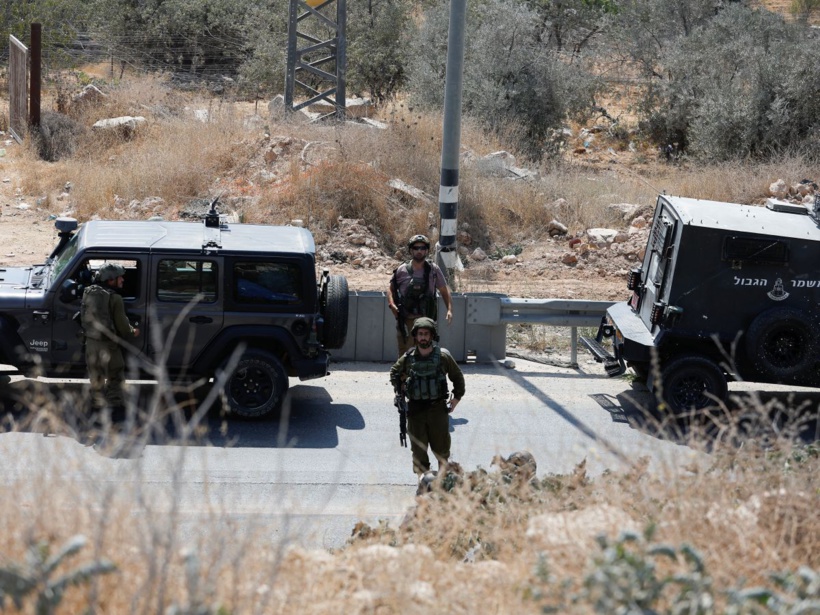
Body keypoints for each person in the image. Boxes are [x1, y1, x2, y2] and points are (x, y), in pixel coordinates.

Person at [390, 317, 465, 478]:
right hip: (416, 410)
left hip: (437, 409)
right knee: (418, 451)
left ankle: (443, 483)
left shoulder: (443, 356)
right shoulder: (408, 358)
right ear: (415, 336)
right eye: (420, 334)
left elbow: (457, 377)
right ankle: (423, 484)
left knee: (442, 450)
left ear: (432, 336)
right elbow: (394, 373)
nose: (423, 337)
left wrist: (456, 399)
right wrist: (401, 387)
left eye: (426, 334)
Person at [81, 263, 140, 413]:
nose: (122, 281)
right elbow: (122, 325)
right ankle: (115, 406)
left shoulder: (88, 292)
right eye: (120, 278)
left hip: (91, 342)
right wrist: (133, 331)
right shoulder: (115, 298)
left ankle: (96, 405)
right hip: (108, 345)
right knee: (115, 376)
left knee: (96, 376)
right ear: (111, 280)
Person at [387, 234, 454, 356]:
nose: (419, 251)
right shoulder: (402, 270)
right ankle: (403, 375)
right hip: (406, 318)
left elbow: (444, 290)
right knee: (405, 353)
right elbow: (390, 289)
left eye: (422, 248)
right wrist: (392, 304)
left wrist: (449, 310)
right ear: (411, 250)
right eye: (416, 248)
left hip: (425, 319)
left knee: (424, 352)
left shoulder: (433, 270)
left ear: (427, 250)